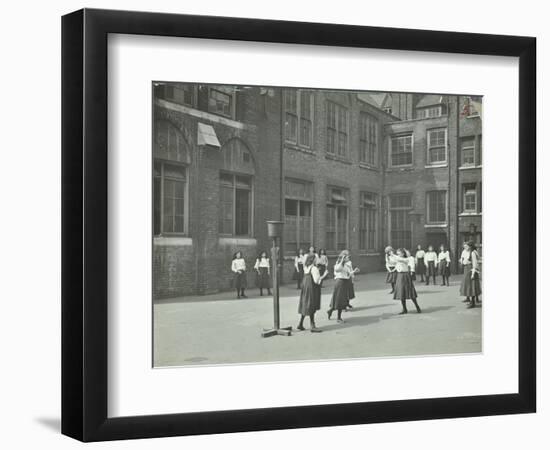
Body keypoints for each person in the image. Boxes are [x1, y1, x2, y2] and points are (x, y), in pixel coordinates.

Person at [297, 254, 328, 332]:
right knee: (312, 305)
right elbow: (316, 281)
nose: (317, 260)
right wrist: (324, 275)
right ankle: (312, 325)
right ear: (313, 260)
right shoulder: (314, 268)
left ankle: (300, 324)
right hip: (312, 288)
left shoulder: (306, 267)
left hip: (306, 288)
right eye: (316, 259)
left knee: (306, 304)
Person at [391, 248, 421, 314]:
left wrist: (393, 255)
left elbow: (401, 260)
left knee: (410, 292)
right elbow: (393, 262)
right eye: (397, 253)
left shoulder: (407, 259)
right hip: (399, 276)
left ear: (403, 253)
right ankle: (404, 309)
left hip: (405, 276)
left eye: (399, 253)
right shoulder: (398, 258)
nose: (398, 254)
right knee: (401, 293)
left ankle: (417, 307)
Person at [327, 250, 353, 323]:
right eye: (347, 257)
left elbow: (348, 274)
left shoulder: (346, 265)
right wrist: (342, 260)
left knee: (339, 300)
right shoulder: (339, 264)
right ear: (343, 258)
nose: (348, 258)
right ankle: (338, 318)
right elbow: (337, 269)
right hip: (340, 283)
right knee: (339, 300)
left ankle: (330, 311)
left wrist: (354, 272)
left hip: (344, 282)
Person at [460, 241, 482, 308]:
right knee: (469, 286)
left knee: (472, 286)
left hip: (471, 270)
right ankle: (471, 301)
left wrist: (472, 274)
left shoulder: (472, 253)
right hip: (468, 269)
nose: (466, 247)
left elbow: (474, 264)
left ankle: (472, 303)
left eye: (467, 246)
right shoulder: (468, 252)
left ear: (470, 246)